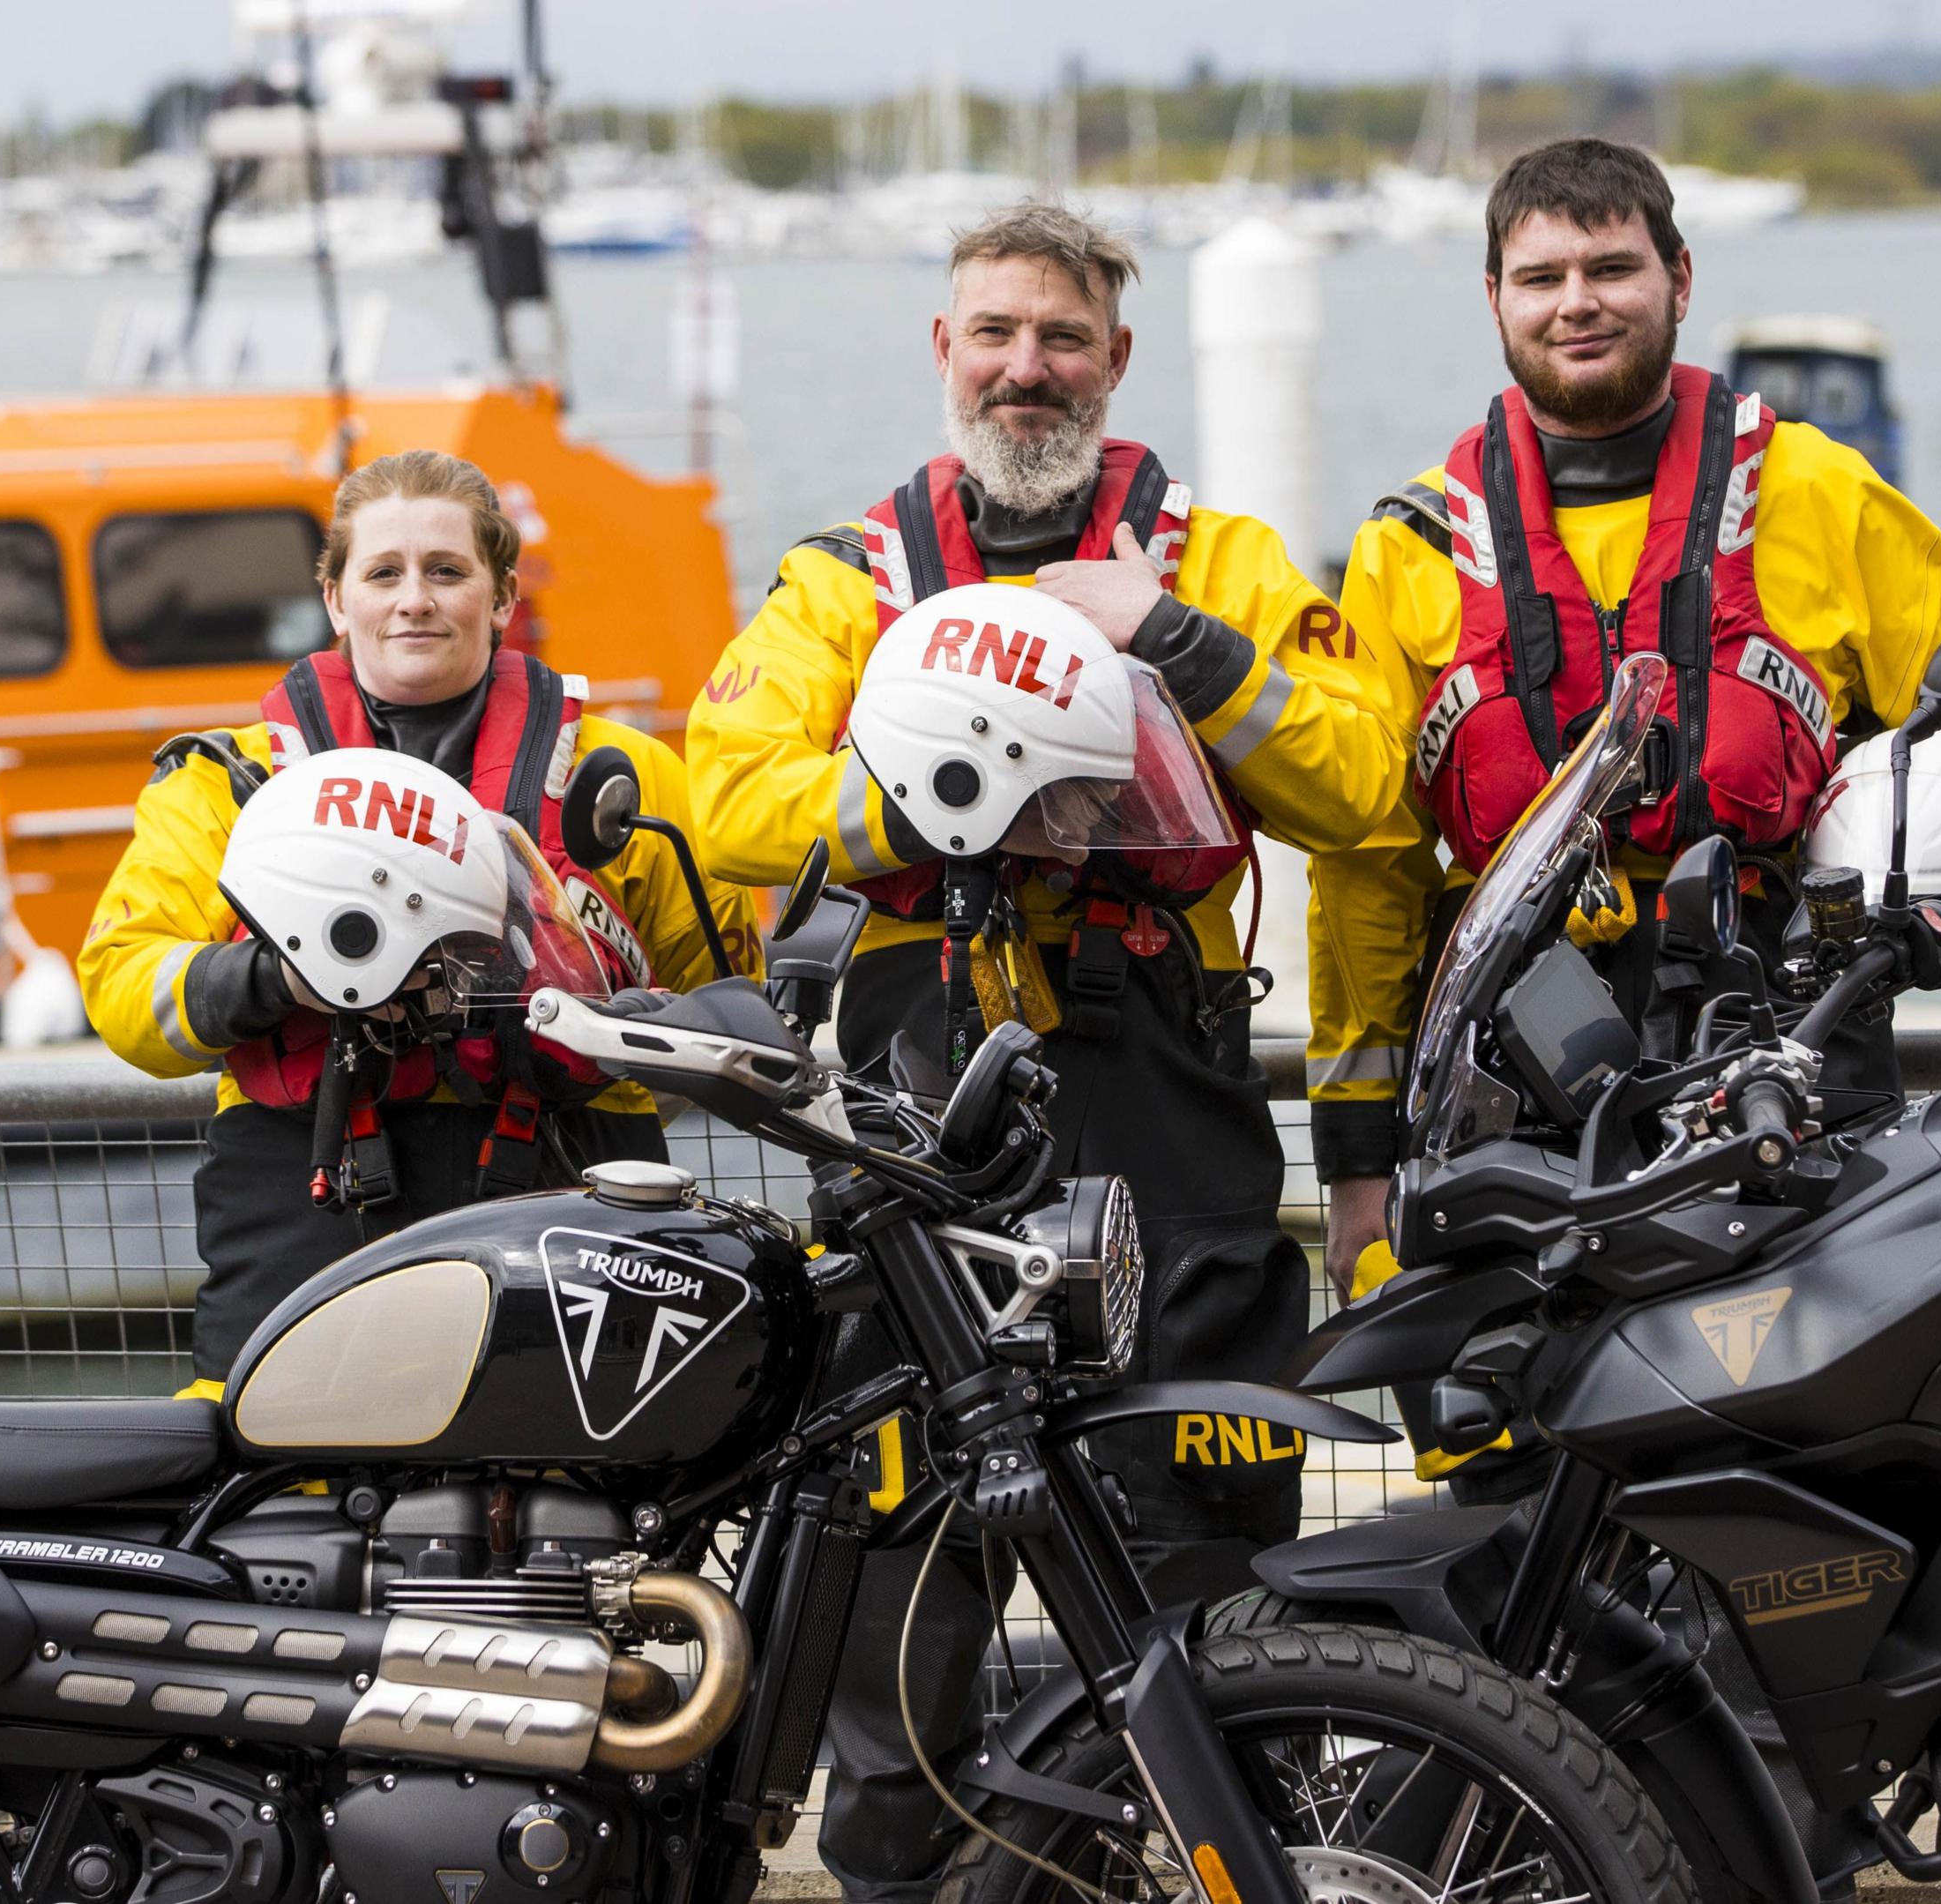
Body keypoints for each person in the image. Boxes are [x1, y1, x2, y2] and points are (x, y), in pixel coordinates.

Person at [683, 202, 1404, 1904]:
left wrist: (1166, 640)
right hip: (918, 1122)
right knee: (895, 1584)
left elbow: (1370, 785)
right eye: (995, 333)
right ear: (945, 351)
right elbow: (725, 793)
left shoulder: (1217, 561)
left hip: (1171, 1110)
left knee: (1212, 1564)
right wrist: (943, 793)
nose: (1027, 367)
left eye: (1062, 336)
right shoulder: (841, 581)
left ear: (1116, 360)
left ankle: (1237, 1854)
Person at [1312, 137, 1941, 1307]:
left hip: (1791, 1054)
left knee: (1816, 1440)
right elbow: (1367, 870)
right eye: (1541, 277)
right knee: (1534, 1466)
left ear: (1679, 280)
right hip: (1513, 1085)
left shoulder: (1821, 493)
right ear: (1493, 298)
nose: (1577, 303)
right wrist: (1355, 1164)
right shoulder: (1407, 550)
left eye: (1612, 268)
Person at [82, 449, 754, 1391]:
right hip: (309, 1189)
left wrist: (603, 1014)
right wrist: (277, 979)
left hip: (568, 1182)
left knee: (593, 1484)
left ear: (503, 593)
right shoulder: (227, 787)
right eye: (384, 573)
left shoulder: (626, 777)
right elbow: (123, 987)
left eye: (447, 571)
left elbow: (725, 986)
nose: (415, 600)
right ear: (335, 597)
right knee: (277, 1480)